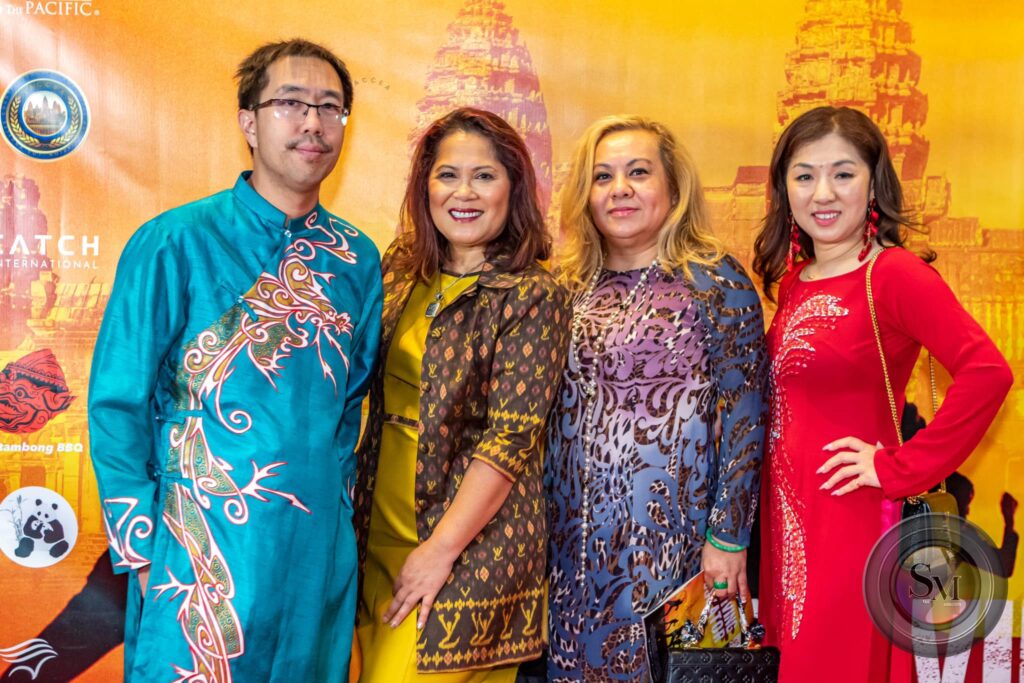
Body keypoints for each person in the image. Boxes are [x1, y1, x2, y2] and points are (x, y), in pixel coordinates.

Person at [87, 39, 382, 682]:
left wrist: (338, 542)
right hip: (196, 546)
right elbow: (116, 405)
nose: (312, 122)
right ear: (249, 121)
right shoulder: (174, 241)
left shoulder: (356, 259)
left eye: (329, 107)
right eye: (291, 103)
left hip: (313, 559)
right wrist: (144, 551)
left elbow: (349, 409)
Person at [752, 105, 1013, 682]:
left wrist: (899, 467)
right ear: (784, 189)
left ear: (874, 185)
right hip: (787, 524)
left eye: (843, 173)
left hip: (849, 519)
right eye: (804, 175)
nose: (823, 192)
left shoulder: (892, 275)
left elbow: (988, 373)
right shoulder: (796, 280)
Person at [545, 115, 768, 682]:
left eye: (638, 172)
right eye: (602, 176)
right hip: (570, 547)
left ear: (673, 187)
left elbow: (746, 415)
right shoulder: (564, 285)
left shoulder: (714, 280)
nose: (619, 189)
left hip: (676, 546)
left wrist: (729, 537)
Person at [353, 107, 570, 681]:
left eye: (484, 176)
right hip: (376, 528)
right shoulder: (400, 268)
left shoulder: (533, 294)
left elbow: (511, 438)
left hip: (470, 544)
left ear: (513, 189)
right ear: (424, 185)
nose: (464, 193)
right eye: (448, 174)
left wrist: (440, 551)